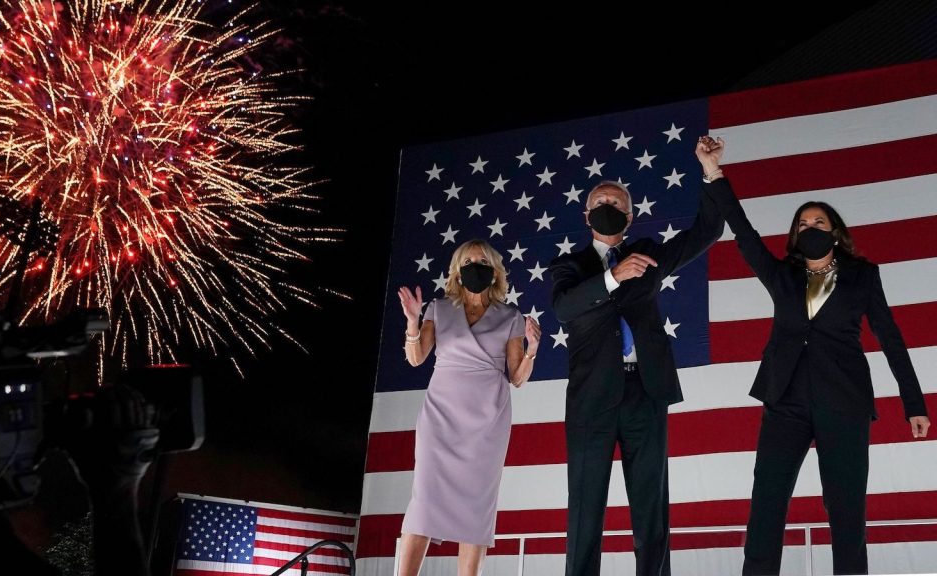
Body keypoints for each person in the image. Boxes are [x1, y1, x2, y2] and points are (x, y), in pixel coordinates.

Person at [699, 136, 931, 575]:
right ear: (795, 235)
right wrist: (715, 173)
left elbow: (891, 338)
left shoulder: (863, 276)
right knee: (766, 506)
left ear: (835, 231)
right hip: (784, 401)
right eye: (802, 224)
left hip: (844, 403)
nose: (809, 228)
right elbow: (744, 233)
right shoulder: (781, 275)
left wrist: (913, 403)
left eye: (818, 221)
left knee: (846, 514)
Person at [550, 140, 725, 576]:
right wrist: (611, 277)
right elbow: (564, 309)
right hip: (592, 400)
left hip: (646, 391)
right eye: (599, 202)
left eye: (616, 202)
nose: (607, 205)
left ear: (629, 217)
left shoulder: (646, 255)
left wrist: (710, 171)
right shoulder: (568, 267)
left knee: (651, 510)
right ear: (586, 216)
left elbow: (707, 231)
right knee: (585, 510)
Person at [396, 239, 542, 576]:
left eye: (483, 260)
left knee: (477, 506)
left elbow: (517, 377)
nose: (475, 265)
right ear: (457, 273)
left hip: (486, 423)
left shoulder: (510, 316)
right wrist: (412, 322)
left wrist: (532, 348)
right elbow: (416, 359)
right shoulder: (438, 308)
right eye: (468, 260)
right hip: (441, 418)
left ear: (494, 272)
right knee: (424, 501)